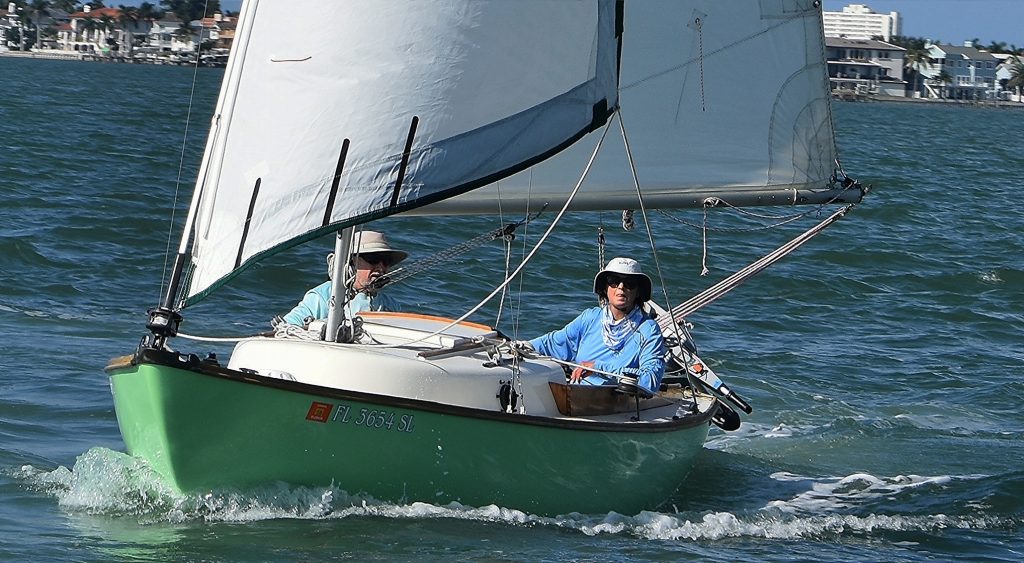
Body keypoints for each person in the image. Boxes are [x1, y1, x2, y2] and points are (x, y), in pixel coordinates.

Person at [525, 257, 666, 395]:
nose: (621, 287)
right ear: (605, 287)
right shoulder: (590, 318)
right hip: (575, 398)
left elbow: (650, 381)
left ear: (638, 291)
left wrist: (598, 367)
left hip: (618, 406)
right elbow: (554, 343)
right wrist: (524, 346)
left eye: (629, 283)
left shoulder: (648, 330)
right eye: (614, 281)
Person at [282, 230, 408, 327]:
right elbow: (286, 327)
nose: (380, 267)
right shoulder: (324, 296)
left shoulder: (391, 305)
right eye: (373, 259)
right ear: (350, 263)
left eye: (386, 261)